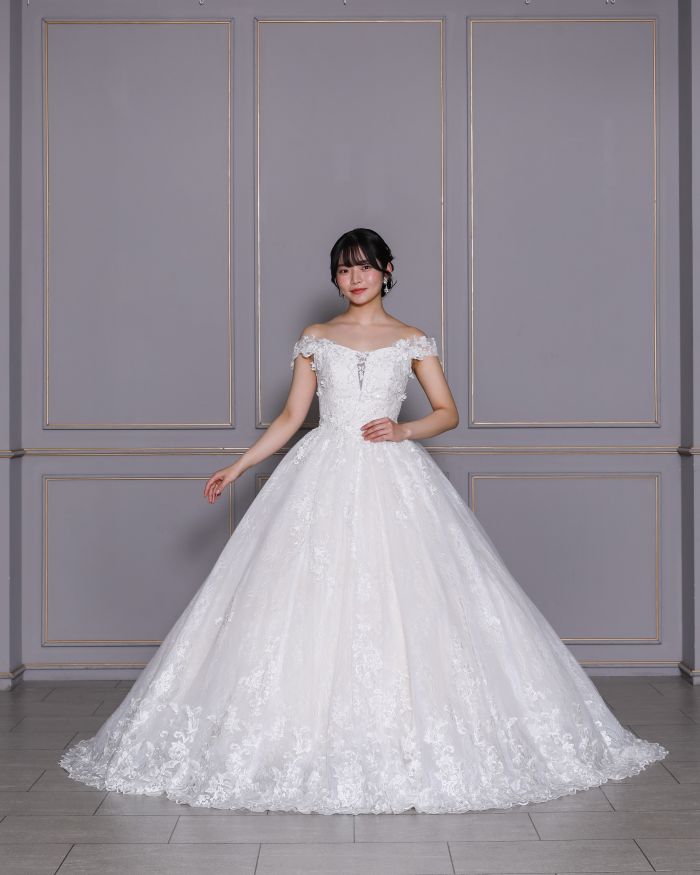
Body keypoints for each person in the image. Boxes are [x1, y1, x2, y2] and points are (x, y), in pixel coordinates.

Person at [59, 227, 668, 815]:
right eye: (344, 269)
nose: (354, 278)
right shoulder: (316, 336)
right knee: (299, 602)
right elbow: (291, 416)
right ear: (335, 277)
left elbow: (447, 411)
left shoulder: (411, 339)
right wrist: (239, 466)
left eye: (365, 267)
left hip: (392, 473)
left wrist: (403, 429)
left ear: (387, 271)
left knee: (411, 601)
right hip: (320, 471)